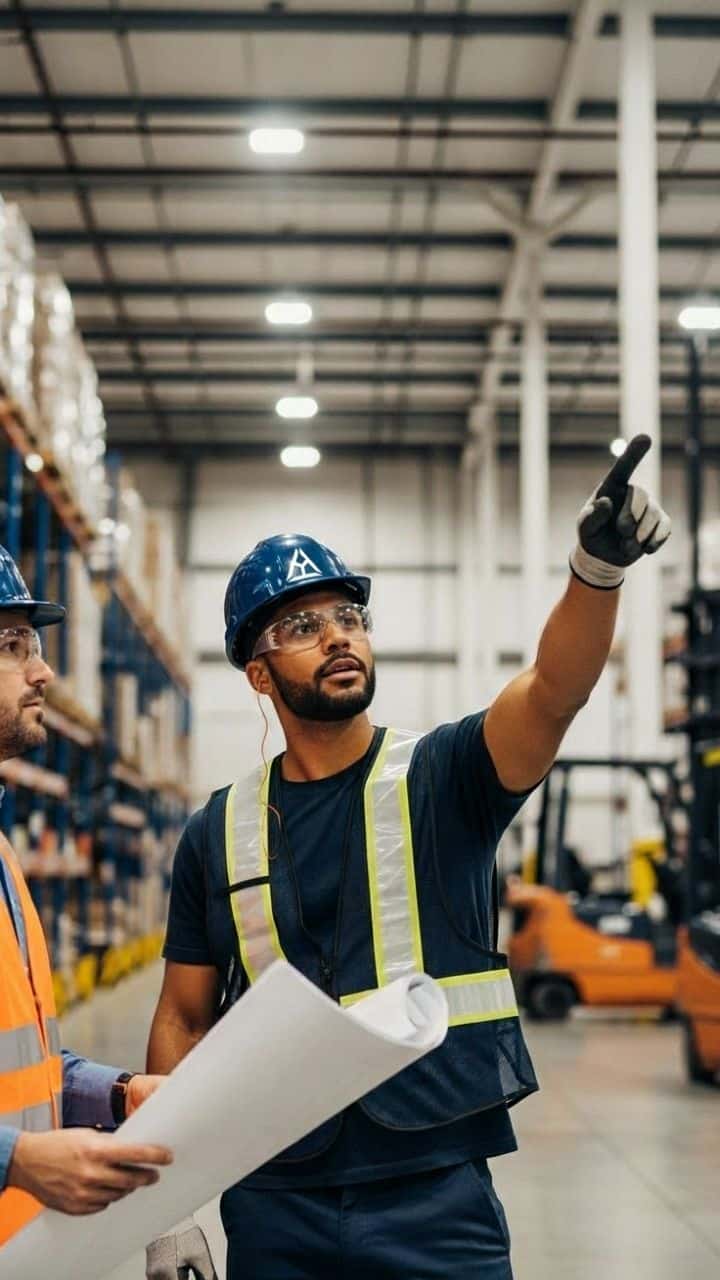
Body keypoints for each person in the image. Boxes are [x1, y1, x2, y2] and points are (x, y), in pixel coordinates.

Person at [146, 435, 670, 1279]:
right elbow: (181, 1016)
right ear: (257, 673)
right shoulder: (220, 829)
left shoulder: (447, 775)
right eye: (303, 626)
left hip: (435, 1191)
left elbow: (554, 689)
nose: (339, 637)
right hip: (275, 1194)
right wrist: (162, 1209)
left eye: (350, 617)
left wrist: (596, 571)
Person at [0, 544, 172, 1248]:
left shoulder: (4, 854)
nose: (44, 671)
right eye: (13, 646)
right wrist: (15, 1158)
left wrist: (114, 1093)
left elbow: (25, 1065)